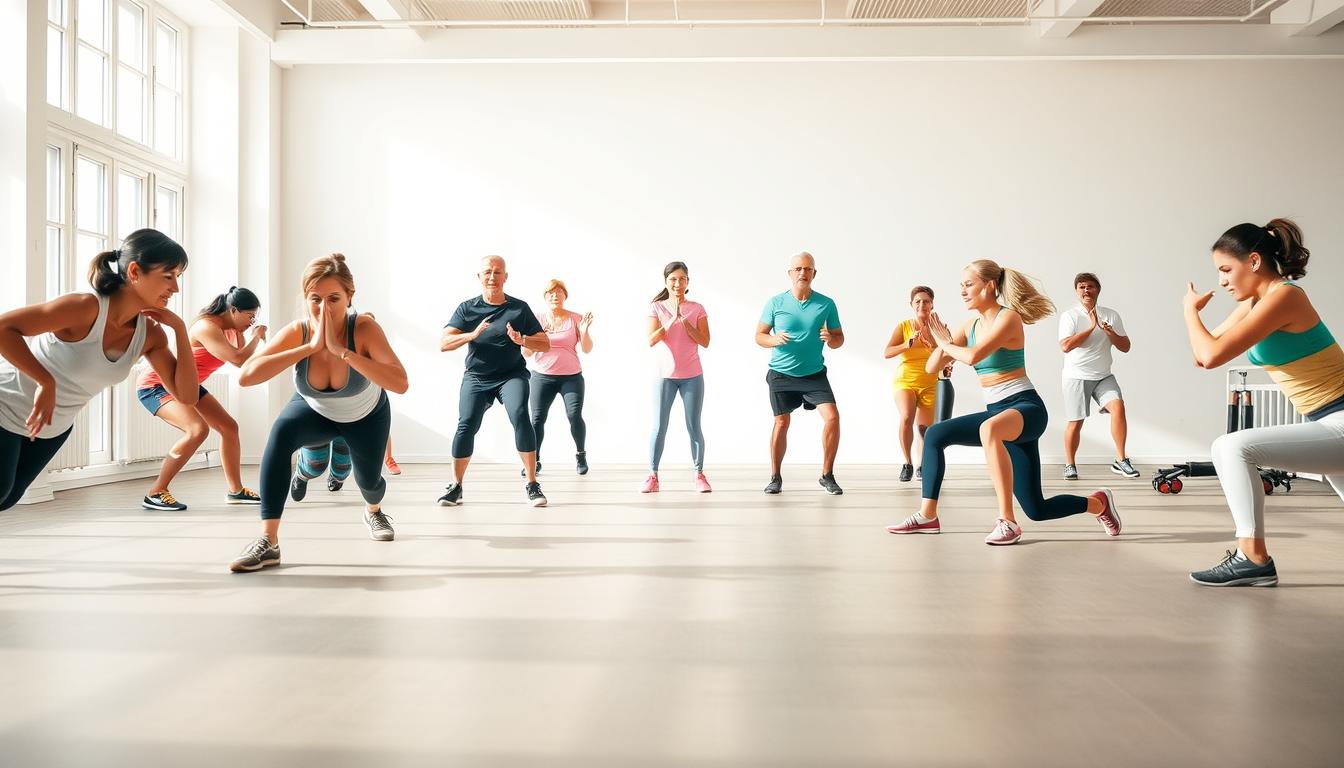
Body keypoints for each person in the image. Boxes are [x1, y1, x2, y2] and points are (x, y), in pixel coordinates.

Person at [885, 259, 1120, 545]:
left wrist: (947, 345)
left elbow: (972, 357)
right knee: (1036, 507)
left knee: (989, 431)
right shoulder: (969, 325)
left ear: (990, 285)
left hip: (1026, 409)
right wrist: (943, 345)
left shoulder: (1008, 318)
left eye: (969, 284)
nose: (962, 290)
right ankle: (1098, 504)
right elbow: (931, 367)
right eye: (961, 285)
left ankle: (1007, 521)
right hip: (997, 413)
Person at [1183, 219, 1344, 587]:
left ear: (1253, 261)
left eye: (1226, 270)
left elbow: (1209, 356)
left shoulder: (1286, 297)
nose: (1222, 281)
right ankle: (1252, 558)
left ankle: (1252, 557)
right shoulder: (1255, 303)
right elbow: (1201, 355)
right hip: (1329, 422)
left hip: (1340, 419)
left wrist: (1190, 312)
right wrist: (1195, 318)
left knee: (1231, 446)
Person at [229, 253, 408, 573]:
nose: (324, 307)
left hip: (365, 416)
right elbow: (247, 376)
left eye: (334, 298)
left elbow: (400, 382)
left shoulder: (364, 328)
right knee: (281, 434)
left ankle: (374, 511)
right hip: (314, 411)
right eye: (315, 299)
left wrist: (343, 352)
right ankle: (268, 541)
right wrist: (308, 348)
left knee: (369, 481)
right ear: (305, 298)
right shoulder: (297, 332)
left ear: (350, 297)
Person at [0, 229, 197, 511]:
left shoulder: (150, 335)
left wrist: (179, 329)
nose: (175, 288)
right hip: (7, 402)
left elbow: (186, 395)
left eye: (178, 277)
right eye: (168, 276)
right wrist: (45, 382)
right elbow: (4, 328)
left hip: (53, 426)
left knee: (7, 499)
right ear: (134, 271)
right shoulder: (84, 307)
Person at [136, 286, 266, 510]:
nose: (253, 321)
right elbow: (237, 359)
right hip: (156, 385)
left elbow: (244, 359)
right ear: (234, 310)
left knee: (229, 427)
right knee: (198, 430)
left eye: (255, 317)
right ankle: (156, 491)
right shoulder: (206, 326)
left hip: (188, 386)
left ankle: (236, 491)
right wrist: (256, 337)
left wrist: (248, 335)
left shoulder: (234, 330)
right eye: (250, 316)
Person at [437, 256, 550, 508]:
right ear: (479, 277)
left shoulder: (519, 308)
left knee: (521, 414)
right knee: (466, 424)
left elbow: (545, 342)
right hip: (477, 377)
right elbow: (444, 343)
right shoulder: (467, 309)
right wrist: (473, 334)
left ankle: (532, 483)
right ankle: (456, 486)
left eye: (498, 272)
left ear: (505, 277)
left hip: (511, 375)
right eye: (487, 272)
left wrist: (522, 340)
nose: (492, 277)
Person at [756, 251, 844, 495]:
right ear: (790, 273)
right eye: (798, 269)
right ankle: (775, 477)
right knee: (782, 422)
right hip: (781, 374)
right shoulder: (776, 303)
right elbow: (759, 336)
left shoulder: (826, 304)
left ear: (814, 273)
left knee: (833, 418)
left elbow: (839, 339)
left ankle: (827, 475)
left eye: (807, 269)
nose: (803, 273)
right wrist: (773, 339)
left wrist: (831, 338)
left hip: (814, 374)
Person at [1058, 273, 1138, 480]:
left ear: (1097, 290)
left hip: (1104, 376)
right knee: (1076, 422)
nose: (1086, 290)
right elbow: (1065, 346)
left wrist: (1109, 332)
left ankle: (1121, 460)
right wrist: (1091, 327)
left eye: (1091, 286)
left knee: (1118, 407)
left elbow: (1126, 347)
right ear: (1077, 291)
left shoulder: (1110, 315)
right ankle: (1069, 465)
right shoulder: (1070, 316)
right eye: (1082, 287)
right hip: (1076, 377)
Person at [644, 262, 712, 493]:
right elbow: (651, 340)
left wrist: (686, 323)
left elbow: (705, 341)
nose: (677, 283)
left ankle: (699, 475)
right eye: (673, 279)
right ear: (666, 281)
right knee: (659, 426)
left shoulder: (697, 308)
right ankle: (652, 476)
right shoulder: (657, 307)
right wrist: (672, 319)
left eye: (682, 279)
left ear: (687, 282)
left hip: (692, 376)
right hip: (664, 376)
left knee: (694, 426)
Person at [523, 279, 593, 477]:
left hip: (571, 378)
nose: (555, 296)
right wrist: (537, 338)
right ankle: (534, 461)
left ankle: (581, 455)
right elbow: (527, 353)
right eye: (550, 293)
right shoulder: (536, 319)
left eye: (559, 292)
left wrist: (585, 331)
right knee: (536, 419)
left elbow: (587, 349)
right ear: (545, 297)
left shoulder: (577, 318)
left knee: (574, 415)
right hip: (542, 377)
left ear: (565, 295)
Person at [884, 286, 939, 483]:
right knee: (907, 416)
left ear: (932, 304)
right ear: (912, 305)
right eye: (918, 301)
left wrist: (947, 364)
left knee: (925, 428)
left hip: (930, 382)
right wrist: (906, 344)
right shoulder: (904, 326)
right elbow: (887, 352)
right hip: (905, 380)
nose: (922, 305)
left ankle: (922, 464)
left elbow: (948, 354)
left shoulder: (939, 328)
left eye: (926, 301)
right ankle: (907, 463)